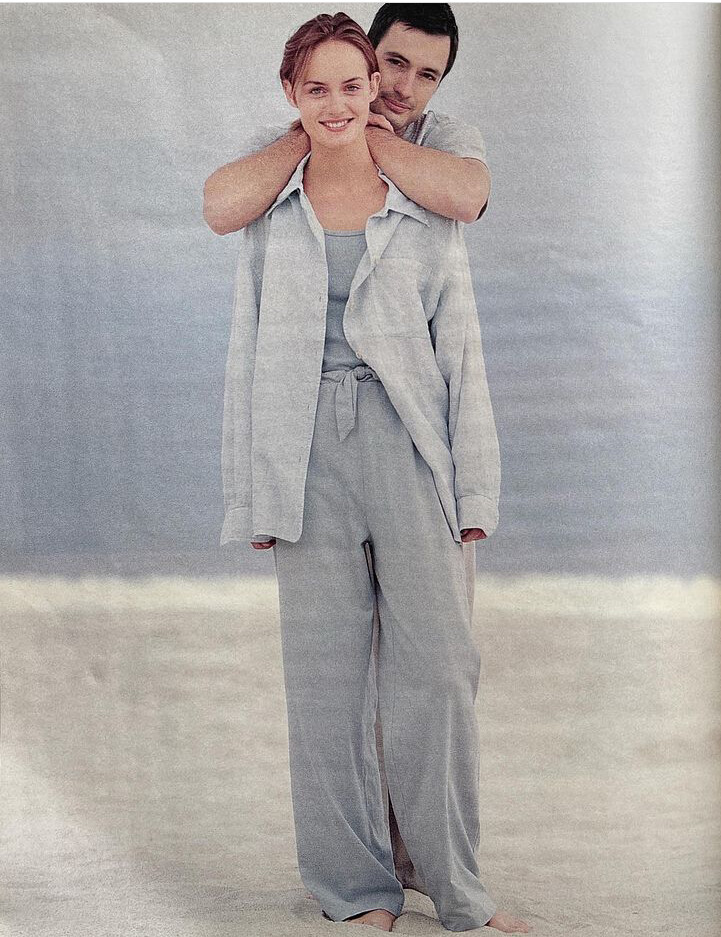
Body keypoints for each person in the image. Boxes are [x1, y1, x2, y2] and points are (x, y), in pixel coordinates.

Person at [214, 10, 530, 934]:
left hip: (408, 437)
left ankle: (456, 888)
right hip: (302, 442)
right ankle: (355, 890)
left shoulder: (434, 175)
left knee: (439, 667)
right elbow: (242, 329)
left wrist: (473, 488)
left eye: (417, 77)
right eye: (378, 69)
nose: (396, 88)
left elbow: (459, 344)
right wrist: (323, 129)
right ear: (297, 90)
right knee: (324, 678)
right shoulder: (279, 177)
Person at [202, 3, 491, 235]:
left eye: (427, 76)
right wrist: (314, 134)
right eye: (396, 62)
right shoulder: (281, 140)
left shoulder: (443, 137)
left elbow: (468, 201)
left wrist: (368, 133)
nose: (405, 88)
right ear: (368, 56)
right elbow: (219, 213)